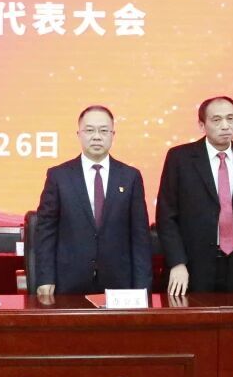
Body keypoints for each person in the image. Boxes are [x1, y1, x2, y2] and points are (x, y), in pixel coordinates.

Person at [156, 96, 233, 296]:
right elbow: (166, 216)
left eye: (231, 118)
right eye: (217, 120)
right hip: (192, 268)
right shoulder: (180, 158)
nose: (225, 125)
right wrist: (177, 262)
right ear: (202, 125)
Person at [33, 105, 151, 295]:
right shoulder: (59, 176)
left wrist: (142, 285)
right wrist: (45, 277)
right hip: (68, 281)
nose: (97, 137)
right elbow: (46, 230)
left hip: (119, 282)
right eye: (89, 130)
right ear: (78, 134)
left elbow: (140, 236)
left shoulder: (130, 177)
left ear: (113, 135)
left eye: (103, 131)